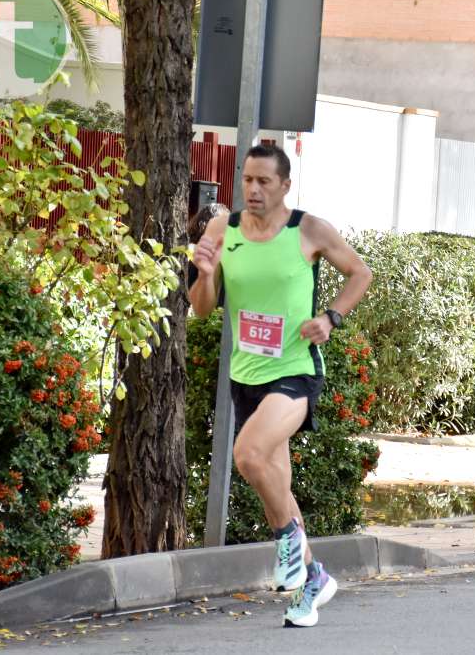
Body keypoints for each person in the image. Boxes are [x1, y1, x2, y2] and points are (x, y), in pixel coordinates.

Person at [190, 144, 373, 628]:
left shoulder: (306, 229)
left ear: (284, 186)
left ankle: (288, 544)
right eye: (247, 180)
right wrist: (206, 275)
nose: (252, 189)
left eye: (263, 181)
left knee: (248, 455)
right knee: (278, 485)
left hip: (295, 371)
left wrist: (330, 318)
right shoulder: (221, 229)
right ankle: (313, 579)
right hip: (245, 376)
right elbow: (202, 308)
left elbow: (361, 272)